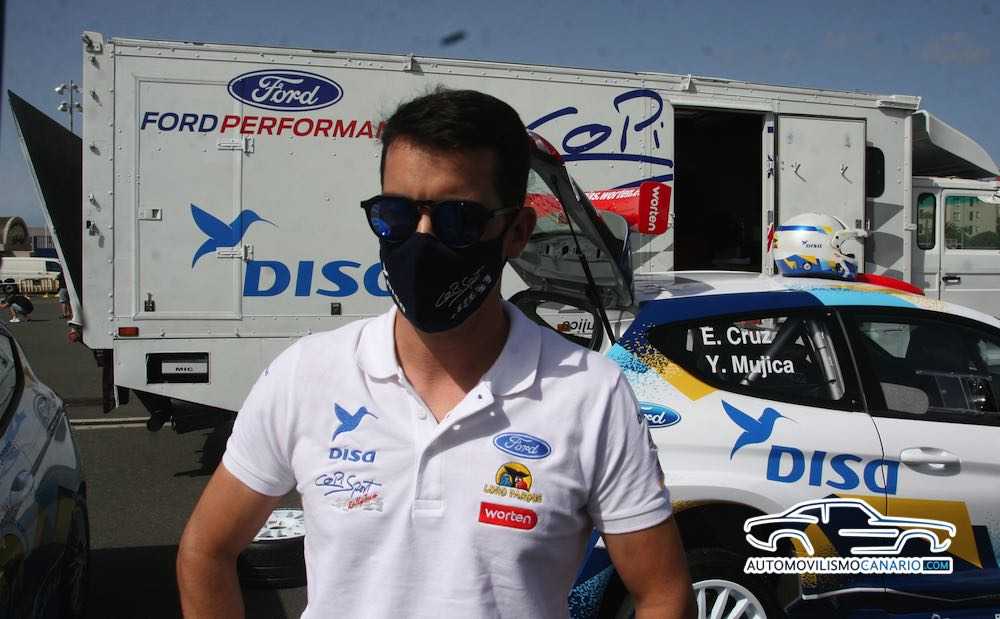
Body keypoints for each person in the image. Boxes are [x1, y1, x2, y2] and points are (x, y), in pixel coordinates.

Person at [177, 89, 695, 618]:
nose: (421, 240)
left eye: (457, 219)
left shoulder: (590, 394)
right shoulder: (306, 374)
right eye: (396, 215)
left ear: (516, 231)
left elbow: (663, 592)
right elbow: (206, 550)